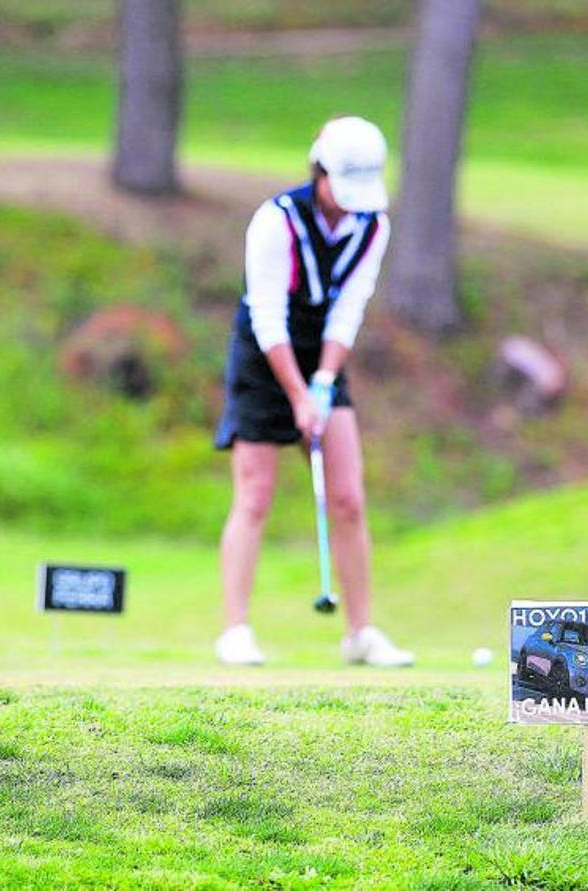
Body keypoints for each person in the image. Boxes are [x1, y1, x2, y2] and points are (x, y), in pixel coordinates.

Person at [213, 116, 414, 668]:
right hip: (263, 358)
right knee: (254, 495)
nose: (350, 204)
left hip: (323, 358)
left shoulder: (373, 225)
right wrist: (297, 395)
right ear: (319, 171)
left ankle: (360, 633)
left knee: (347, 497)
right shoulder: (275, 223)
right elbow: (268, 317)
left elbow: (349, 309)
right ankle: (235, 629)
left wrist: (323, 383)